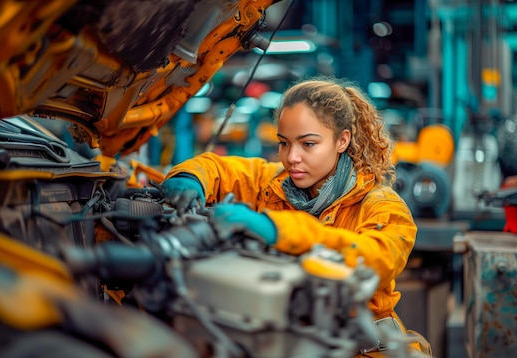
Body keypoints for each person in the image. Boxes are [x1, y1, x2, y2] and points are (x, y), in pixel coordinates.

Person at [161, 76, 427, 355]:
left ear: (342, 140)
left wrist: (279, 230)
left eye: (308, 144)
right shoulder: (274, 183)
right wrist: (191, 179)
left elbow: (376, 259)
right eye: (284, 143)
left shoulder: (382, 206)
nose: (291, 158)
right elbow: (218, 168)